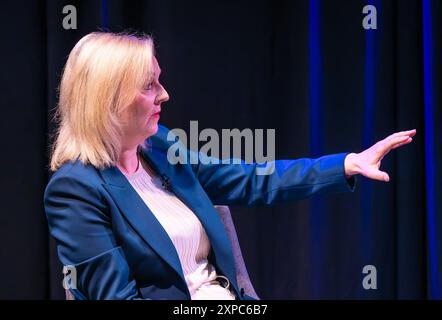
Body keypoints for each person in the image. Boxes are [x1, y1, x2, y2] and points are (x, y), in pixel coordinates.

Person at [44, 32, 415, 300]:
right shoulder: (76, 189)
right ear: (108, 100)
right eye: (149, 85)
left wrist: (346, 164)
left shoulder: (159, 146)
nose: (164, 94)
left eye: (159, 81)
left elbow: (252, 180)